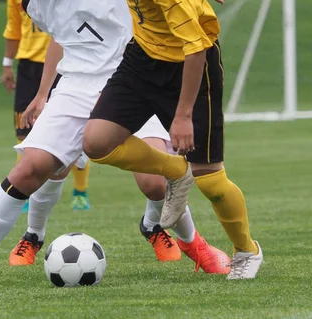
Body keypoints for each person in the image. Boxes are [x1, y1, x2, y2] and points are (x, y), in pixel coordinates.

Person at [0, 0, 228, 286]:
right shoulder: (34, 5)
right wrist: (43, 94)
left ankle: (193, 245)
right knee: (30, 170)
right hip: (76, 83)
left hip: (133, 76)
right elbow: (63, 38)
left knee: (154, 183)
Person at [82, 0, 264, 280]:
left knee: (210, 180)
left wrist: (182, 116)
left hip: (192, 66)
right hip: (142, 60)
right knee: (96, 142)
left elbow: (196, 50)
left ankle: (246, 251)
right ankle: (176, 171)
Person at [8, 114, 231, 273]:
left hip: (133, 85)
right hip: (81, 87)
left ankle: (158, 229)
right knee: (52, 166)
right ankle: (33, 236)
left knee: (155, 183)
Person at [1, 0, 90, 212]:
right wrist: (7, 63)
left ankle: (80, 192)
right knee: (24, 131)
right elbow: (13, 28)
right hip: (29, 68)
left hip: (65, 65)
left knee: (76, 134)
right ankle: (25, 194)